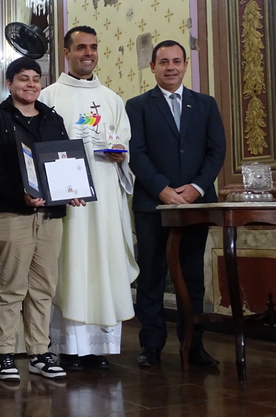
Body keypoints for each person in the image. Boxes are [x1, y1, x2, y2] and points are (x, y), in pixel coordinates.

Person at [39, 26, 139, 371]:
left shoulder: (112, 99)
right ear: (66, 53)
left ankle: (98, 347)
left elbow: (123, 145)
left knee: (101, 263)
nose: (88, 53)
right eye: (81, 47)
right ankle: (65, 346)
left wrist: (120, 155)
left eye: (94, 47)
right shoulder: (49, 97)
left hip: (105, 201)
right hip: (69, 200)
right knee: (70, 265)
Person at [125, 39, 226, 368]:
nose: (171, 67)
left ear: (185, 65)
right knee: (152, 276)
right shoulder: (137, 106)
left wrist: (197, 188)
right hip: (153, 206)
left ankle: (193, 345)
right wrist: (163, 190)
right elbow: (135, 154)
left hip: (195, 206)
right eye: (163, 61)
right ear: (152, 67)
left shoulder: (206, 104)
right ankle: (151, 346)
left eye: (177, 61)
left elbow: (216, 152)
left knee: (192, 276)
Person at [0, 57, 85, 381]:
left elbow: (63, 158)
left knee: (43, 287)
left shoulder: (51, 118)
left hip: (51, 215)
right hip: (13, 211)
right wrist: (22, 195)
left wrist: (71, 188)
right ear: (10, 83)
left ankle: (40, 352)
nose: (30, 84)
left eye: (35, 79)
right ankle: (4, 354)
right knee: (11, 288)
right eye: (23, 79)